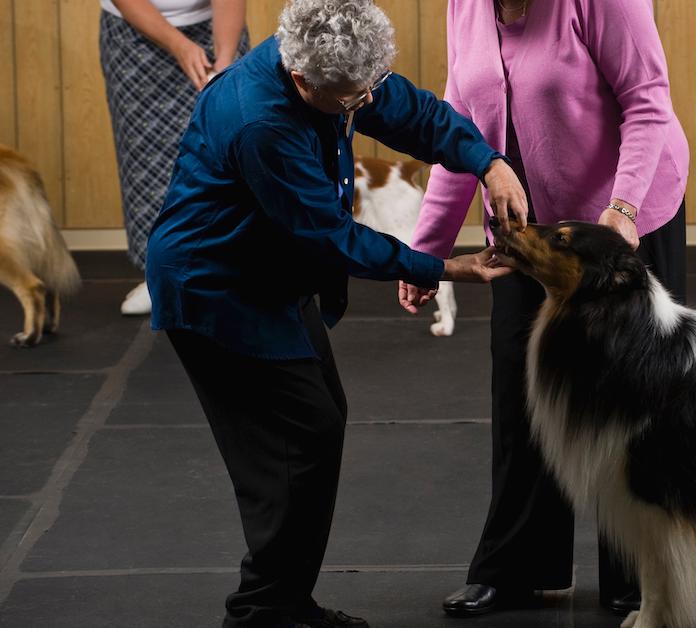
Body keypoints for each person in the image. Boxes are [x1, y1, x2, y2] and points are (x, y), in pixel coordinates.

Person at [145, 1, 528, 626]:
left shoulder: (340, 68)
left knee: (317, 428)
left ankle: (284, 604)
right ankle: (263, 612)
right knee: (290, 450)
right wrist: (442, 266)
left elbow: (416, 114)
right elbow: (327, 237)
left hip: (272, 274)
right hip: (218, 291)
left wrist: (488, 161)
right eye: (352, 101)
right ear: (303, 81)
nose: (363, 106)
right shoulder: (259, 122)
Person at [398, 0, 689, 617]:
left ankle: (642, 571)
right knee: (521, 388)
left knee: (635, 397)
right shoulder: (466, 6)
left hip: (625, 213)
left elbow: (648, 99)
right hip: (529, 228)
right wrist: (425, 249)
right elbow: (461, 126)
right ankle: (516, 565)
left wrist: (624, 211)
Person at [100, 0, 249, 315]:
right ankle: (161, 277)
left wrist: (223, 63)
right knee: (147, 164)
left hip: (214, 30)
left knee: (229, 156)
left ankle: (228, 273)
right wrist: (179, 46)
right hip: (135, 38)